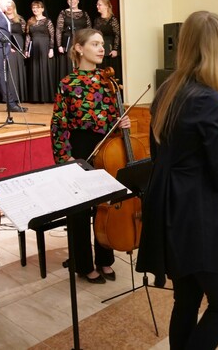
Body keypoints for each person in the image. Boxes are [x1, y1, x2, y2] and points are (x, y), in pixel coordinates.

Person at [136, 11, 218, 349]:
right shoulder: (209, 98)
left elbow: (160, 155)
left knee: (187, 299)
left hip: (169, 210)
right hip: (198, 217)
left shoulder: (168, 89)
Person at [50, 28, 131, 283]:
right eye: (95, 44)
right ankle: (83, 264)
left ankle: (105, 259)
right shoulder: (68, 83)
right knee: (81, 210)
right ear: (78, 48)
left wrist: (122, 123)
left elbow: (114, 118)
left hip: (107, 148)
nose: (101, 48)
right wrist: (65, 158)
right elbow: (59, 124)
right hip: (80, 147)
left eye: (102, 44)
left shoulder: (109, 82)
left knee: (105, 204)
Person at [25, 0, 56, 102]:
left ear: (42, 9)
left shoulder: (47, 21)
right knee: (35, 70)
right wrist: (26, 50)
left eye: (37, 7)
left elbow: (52, 36)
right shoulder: (30, 21)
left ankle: (46, 96)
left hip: (44, 47)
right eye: (33, 8)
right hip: (34, 48)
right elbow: (28, 37)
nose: (35, 9)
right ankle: (35, 97)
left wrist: (51, 48)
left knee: (45, 69)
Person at [56, 0, 91, 79]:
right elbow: (59, 29)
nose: (73, 1)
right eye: (70, 0)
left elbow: (89, 29)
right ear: (67, 1)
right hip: (68, 41)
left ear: (78, 1)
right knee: (69, 64)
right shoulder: (63, 13)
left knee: (81, 62)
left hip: (81, 41)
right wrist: (59, 45)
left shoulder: (84, 13)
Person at [93, 0, 121, 82]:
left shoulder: (113, 20)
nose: (97, 6)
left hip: (110, 51)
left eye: (99, 5)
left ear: (106, 6)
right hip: (99, 50)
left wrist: (115, 49)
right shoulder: (97, 20)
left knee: (110, 74)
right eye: (97, 4)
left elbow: (117, 35)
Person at [5, 1, 28, 103]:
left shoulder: (20, 19)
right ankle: (12, 97)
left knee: (19, 70)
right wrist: (8, 46)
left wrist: (25, 49)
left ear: (14, 7)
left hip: (19, 46)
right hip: (7, 45)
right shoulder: (2, 18)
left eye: (11, 6)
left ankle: (20, 95)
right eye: (7, 6)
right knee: (11, 71)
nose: (9, 8)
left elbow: (26, 34)